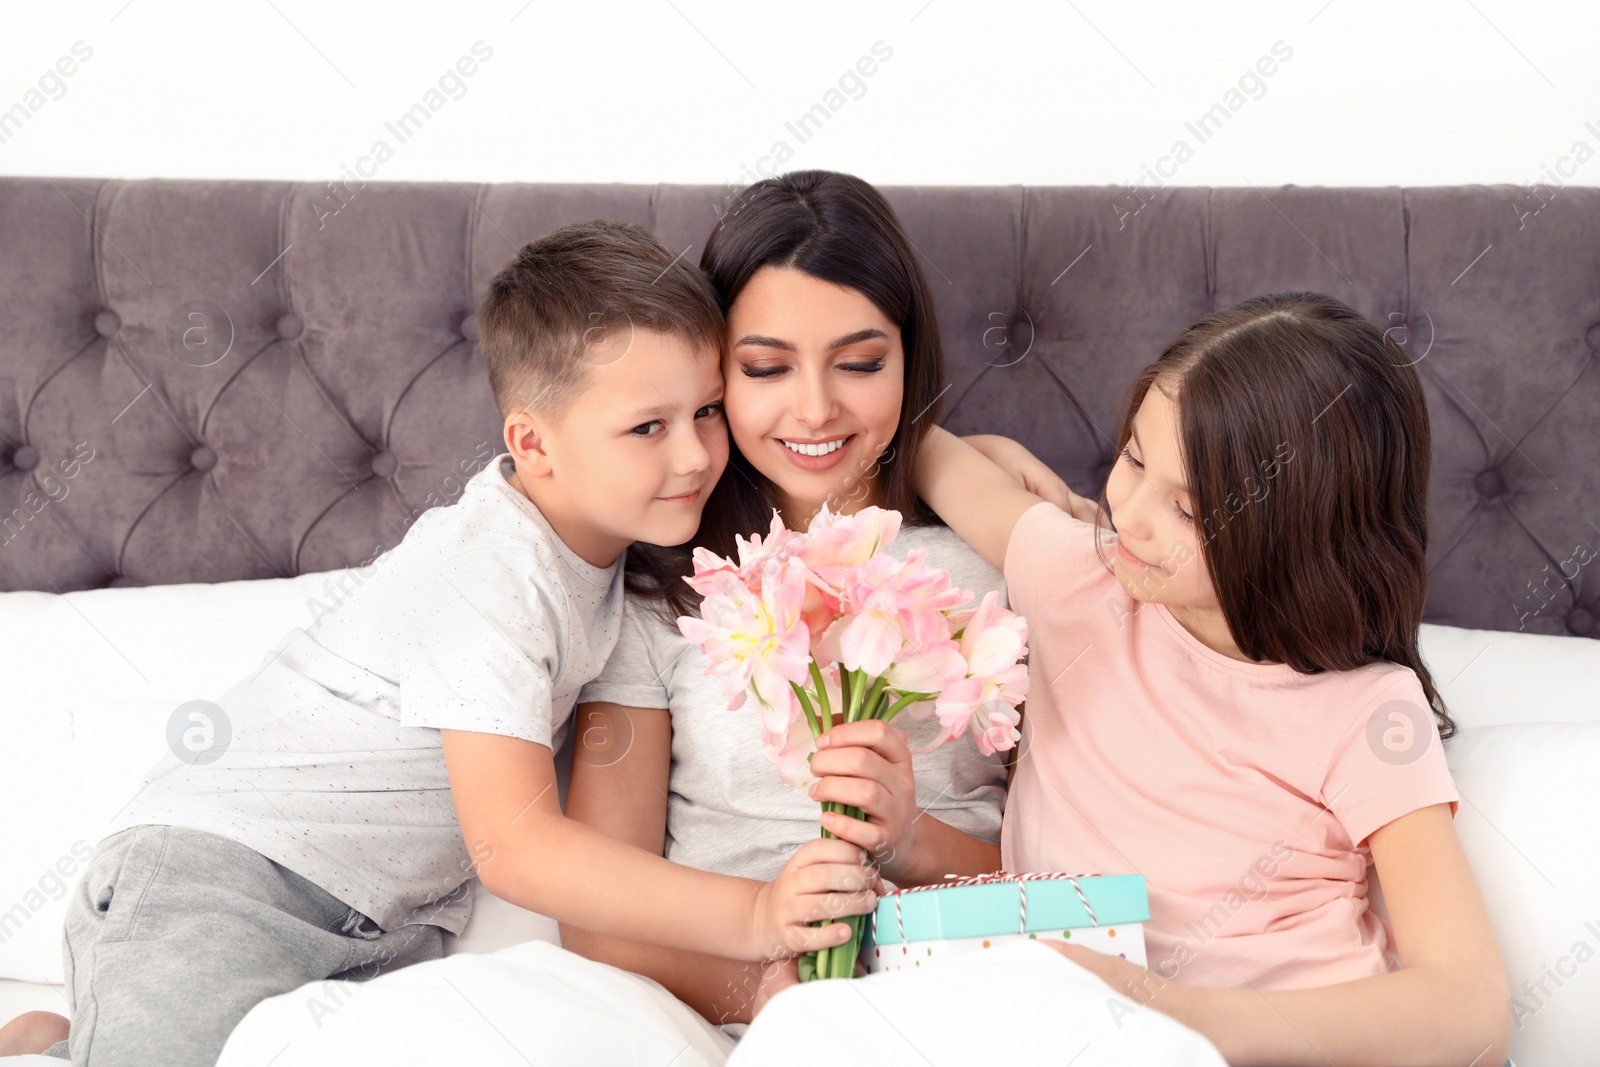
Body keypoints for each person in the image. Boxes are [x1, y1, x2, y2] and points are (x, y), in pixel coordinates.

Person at [0, 220, 879, 1065]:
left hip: (372, 932)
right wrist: (758, 912)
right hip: (220, 884)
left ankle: (61, 1041)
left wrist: (950, 459)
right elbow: (519, 845)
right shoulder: (492, 570)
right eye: (648, 427)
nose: (693, 456)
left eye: (708, 412)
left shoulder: (615, 566)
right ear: (532, 443)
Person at [900, 291, 1513, 1065]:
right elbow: (910, 444)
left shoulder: (1366, 711)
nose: (1132, 515)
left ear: (1297, 536)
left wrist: (1165, 1011)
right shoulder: (1079, 579)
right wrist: (991, 444)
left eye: (1189, 511)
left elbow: (1473, 1009)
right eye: (1134, 459)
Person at [560, 170, 1070, 1029]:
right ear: (714, 367)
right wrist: (759, 987)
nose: (815, 407)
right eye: (765, 367)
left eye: (861, 363)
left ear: (912, 356)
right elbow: (596, 915)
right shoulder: (669, 589)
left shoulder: (997, 566)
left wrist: (913, 843)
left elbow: (1076, 891)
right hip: (731, 1016)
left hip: (966, 994)